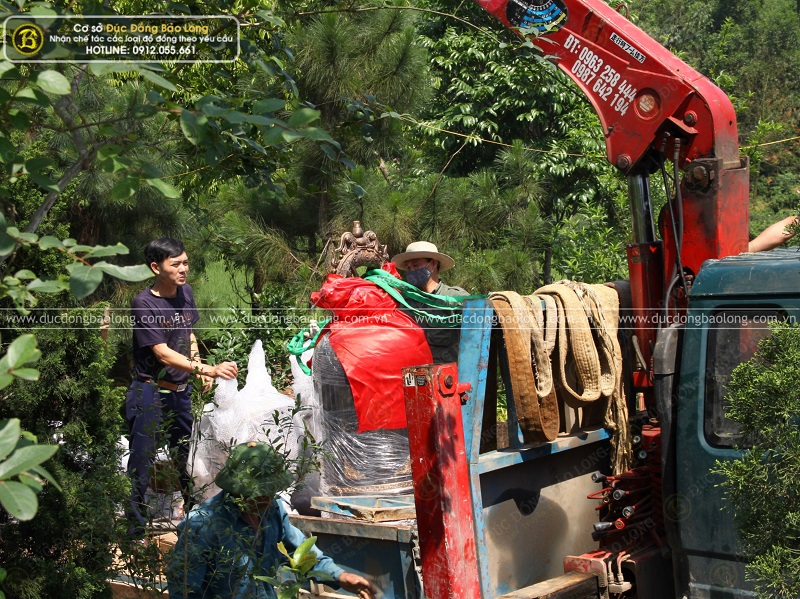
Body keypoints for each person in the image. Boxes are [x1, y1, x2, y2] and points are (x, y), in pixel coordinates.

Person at [126, 237, 238, 537]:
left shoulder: (185, 293)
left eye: (185, 262)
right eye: (175, 264)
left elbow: (186, 334)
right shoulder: (144, 303)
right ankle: (134, 528)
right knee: (142, 458)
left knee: (186, 458)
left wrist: (198, 364)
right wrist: (209, 369)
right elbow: (161, 352)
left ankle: (194, 521)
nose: (183, 268)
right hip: (149, 390)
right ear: (155, 267)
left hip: (179, 392)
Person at [166, 442, 377, 599]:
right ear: (237, 490)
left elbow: (299, 552)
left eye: (270, 491)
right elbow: (184, 590)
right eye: (259, 493)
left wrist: (340, 576)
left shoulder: (272, 510)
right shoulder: (203, 525)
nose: (266, 498)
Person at [391, 241, 468, 364]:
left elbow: (478, 337)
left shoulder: (455, 299)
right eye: (408, 268)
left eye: (416, 266)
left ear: (432, 264)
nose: (411, 271)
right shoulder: (404, 304)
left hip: (448, 379)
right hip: (413, 377)